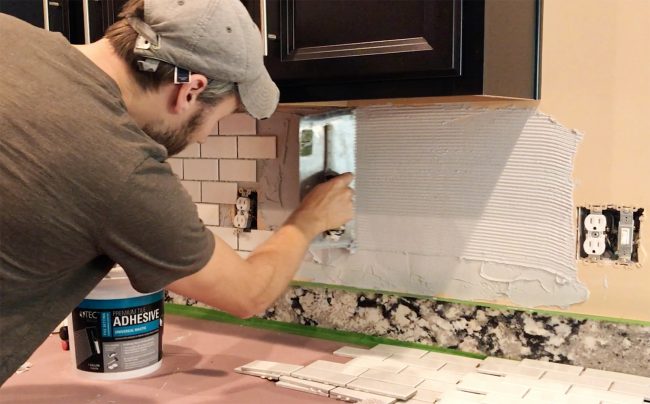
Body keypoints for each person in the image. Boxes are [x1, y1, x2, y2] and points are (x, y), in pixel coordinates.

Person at [0, 0, 354, 385]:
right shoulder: (121, 169)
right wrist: (310, 220)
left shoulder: (9, 33)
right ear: (190, 90)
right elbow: (248, 293)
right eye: (218, 118)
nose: (204, 136)